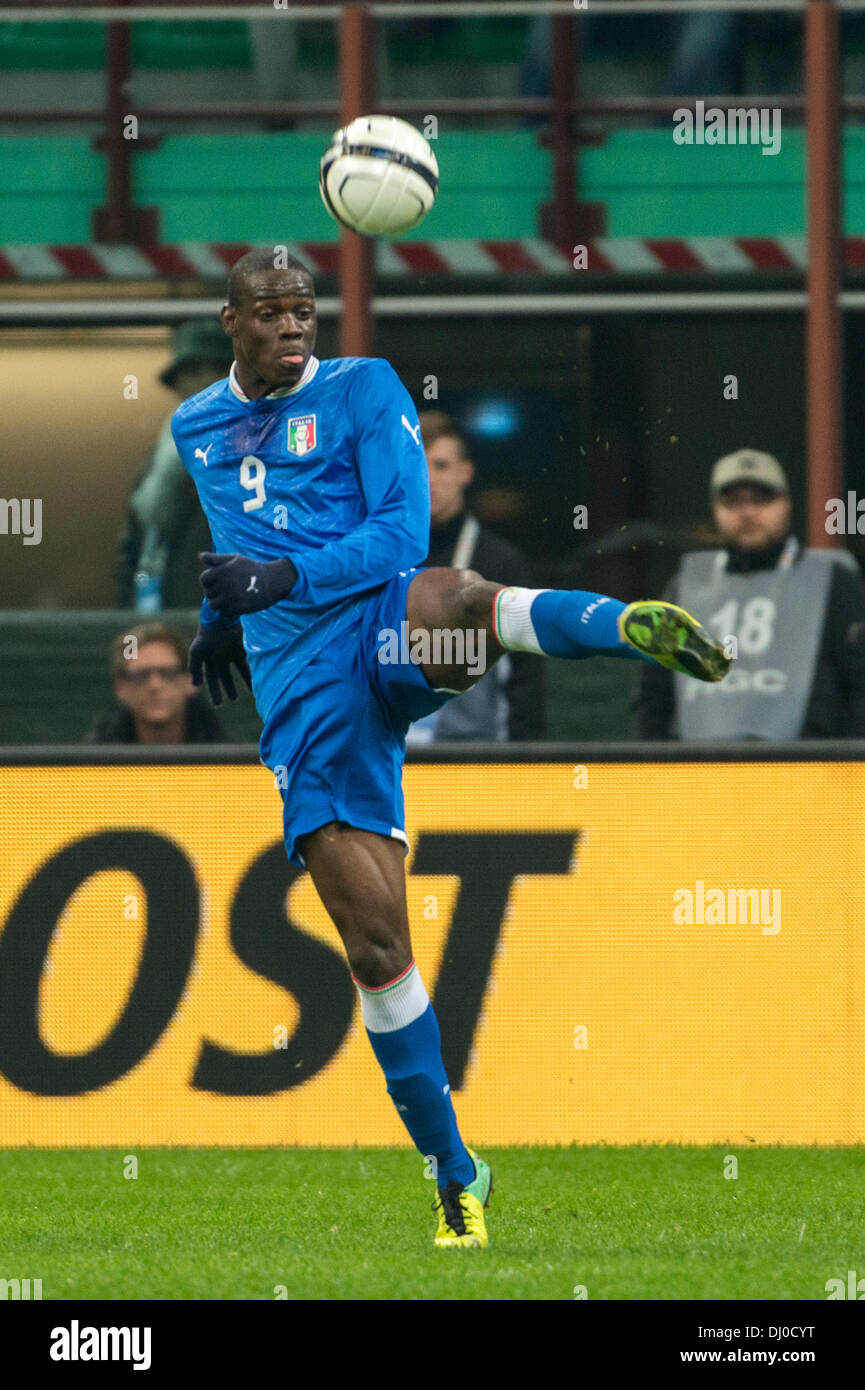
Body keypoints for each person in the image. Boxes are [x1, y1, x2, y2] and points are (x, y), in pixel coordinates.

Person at [170, 246, 730, 1249]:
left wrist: (281, 577)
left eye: (305, 310)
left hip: (373, 614)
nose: (295, 326)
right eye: (274, 312)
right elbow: (232, 536)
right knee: (378, 947)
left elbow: (400, 532)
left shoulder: (359, 388)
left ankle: (623, 621)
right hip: (301, 689)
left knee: (457, 601)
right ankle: (454, 1170)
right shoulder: (195, 422)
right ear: (231, 320)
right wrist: (223, 613)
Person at [636, 449, 865, 741]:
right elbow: (654, 693)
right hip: (699, 776)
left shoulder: (832, 580)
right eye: (733, 502)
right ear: (715, 509)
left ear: (786, 504)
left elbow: (859, 685)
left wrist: (845, 772)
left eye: (761, 499)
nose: (747, 512)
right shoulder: (686, 585)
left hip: (809, 774)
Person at [406, 410, 545, 743]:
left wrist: (525, 762)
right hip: (389, 758)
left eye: (440, 465)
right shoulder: (375, 557)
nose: (428, 477)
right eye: (417, 465)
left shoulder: (500, 562)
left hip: (478, 762)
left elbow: (526, 676)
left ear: (465, 473)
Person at [116, 321, 234, 612]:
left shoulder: (254, 450)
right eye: (182, 375)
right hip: (162, 618)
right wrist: (127, 619)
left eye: (198, 371)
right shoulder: (162, 454)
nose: (187, 385)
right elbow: (133, 544)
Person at [84, 622, 223, 745]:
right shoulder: (92, 766)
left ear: (191, 681)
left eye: (167, 673)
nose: (154, 685)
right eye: (141, 675)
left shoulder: (230, 763)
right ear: (121, 687)